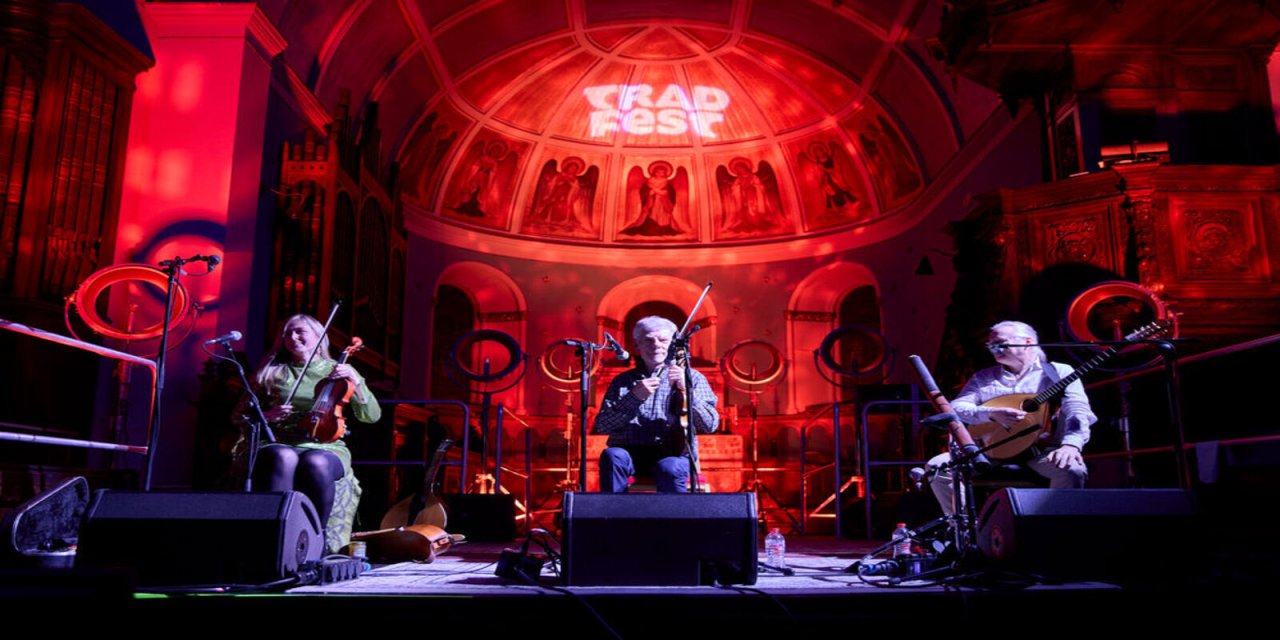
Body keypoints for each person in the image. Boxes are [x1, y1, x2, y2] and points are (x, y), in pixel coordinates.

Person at [233, 314, 382, 552]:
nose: (293, 337)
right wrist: (267, 416)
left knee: (316, 462)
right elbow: (238, 415)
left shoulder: (339, 370)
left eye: (300, 331)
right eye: (287, 333)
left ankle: (315, 541)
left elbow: (371, 416)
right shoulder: (270, 372)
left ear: (319, 336)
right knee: (283, 457)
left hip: (327, 445)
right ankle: (276, 539)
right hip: (279, 440)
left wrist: (356, 380)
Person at [927, 320, 1094, 515]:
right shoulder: (984, 377)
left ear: (1027, 341)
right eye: (991, 345)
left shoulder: (1059, 372)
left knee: (1072, 471)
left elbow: (1077, 408)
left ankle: (1057, 528)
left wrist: (1071, 444)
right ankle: (966, 530)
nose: (994, 349)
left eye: (1001, 343)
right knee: (937, 467)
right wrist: (990, 413)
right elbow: (955, 407)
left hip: (1039, 451)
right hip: (990, 450)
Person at [594, 316, 718, 492]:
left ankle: (675, 519)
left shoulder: (693, 377)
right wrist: (633, 397)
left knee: (669, 468)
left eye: (663, 340)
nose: (656, 345)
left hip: (673, 452)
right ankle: (613, 515)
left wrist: (687, 390)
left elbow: (710, 425)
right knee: (612, 456)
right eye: (648, 340)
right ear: (637, 346)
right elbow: (602, 426)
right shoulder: (622, 381)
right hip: (630, 452)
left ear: (673, 344)